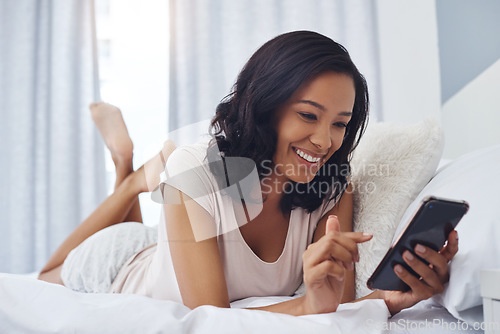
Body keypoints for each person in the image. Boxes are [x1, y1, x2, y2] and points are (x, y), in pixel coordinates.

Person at [38, 31, 458, 316]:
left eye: (339, 123)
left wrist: (387, 298)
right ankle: (129, 175)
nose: (324, 140)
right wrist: (308, 305)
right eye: (308, 115)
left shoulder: (332, 187)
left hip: (172, 245)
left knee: (164, 225)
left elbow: (335, 309)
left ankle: (135, 180)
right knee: (47, 276)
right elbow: (212, 319)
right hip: (120, 265)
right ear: (265, 105)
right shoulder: (196, 169)